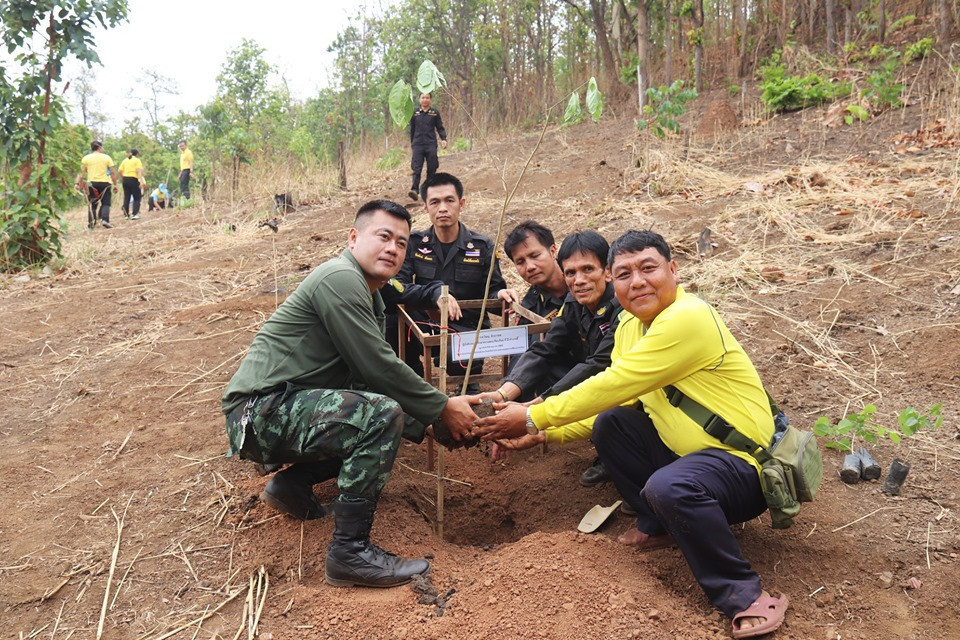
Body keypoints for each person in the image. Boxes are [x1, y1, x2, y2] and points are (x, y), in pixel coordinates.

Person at [474, 230, 789, 639]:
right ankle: (657, 524)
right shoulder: (629, 325)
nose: (636, 281)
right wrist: (544, 436)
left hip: (742, 466)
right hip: (689, 457)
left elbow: (616, 382)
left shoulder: (687, 317)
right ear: (613, 280)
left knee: (669, 485)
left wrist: (536, 417)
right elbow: (619, 401)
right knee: (613, 423)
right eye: (624, 273)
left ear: (673, 270)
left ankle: (742, 595)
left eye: (648, 268)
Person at [222, 199, 479, 588]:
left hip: (280, 407)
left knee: (381, 415)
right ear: (354, 237)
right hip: (261, 411)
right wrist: (441, 408)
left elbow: (364, 380)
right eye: (384, 236)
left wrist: (425, 423)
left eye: (403, 243)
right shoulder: (339, 279)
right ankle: (349, 552)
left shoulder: (370, 294)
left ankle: (291, 485)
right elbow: (377, 366)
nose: (393, 248)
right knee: (379, 416)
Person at [482, 230, 621, 487]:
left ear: (607, 271)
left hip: (622, 385)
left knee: (613, 407)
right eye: (571, 273)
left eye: (588, 269)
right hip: (587, 371)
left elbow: (599, 364)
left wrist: (536, 405)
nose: (579, 280)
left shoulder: (623, 307)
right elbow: (545, 350)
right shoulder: (573, 303)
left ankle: (614, 456)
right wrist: (503, 395)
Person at [389, 172, 517, 392]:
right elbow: (398, 287)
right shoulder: (415, 243)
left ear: (461, 204)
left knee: (458, 362)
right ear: (425, 208)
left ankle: (469, 381)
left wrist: (502, 296)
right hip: (428, 322)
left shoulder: (482, 246)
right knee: (391, 321)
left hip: (466, 326)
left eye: (449, 200)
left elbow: (494, 290)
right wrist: (434, 293)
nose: (443, 208)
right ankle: (414, 380)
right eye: (435, 202)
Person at [407, 92, 447, 201]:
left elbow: (440, 127)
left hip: (430, 144)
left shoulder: (434, 113)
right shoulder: (415, 113)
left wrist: (443, 139)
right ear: (419, 100)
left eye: (427, 98)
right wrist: (413, 144)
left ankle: (429, 189)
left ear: (430, 100)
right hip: (418, 144)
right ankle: (415, 190)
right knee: (417, 168)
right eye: (423, 97)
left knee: (432, 167)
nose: (425, 99)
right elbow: (412, 130)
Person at [75, 141, 119, 229]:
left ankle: (91, 224)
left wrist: (77, 183)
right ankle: (105, 220)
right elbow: (112, 173)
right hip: (105, 184)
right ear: (99, 148)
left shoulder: (86, 158)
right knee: (106, 203)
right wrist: (115, 184)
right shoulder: (107, 158)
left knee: (92, 204)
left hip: (92, 184)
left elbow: (81, 173)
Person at [118, 149, 146, 220]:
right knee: (137, 197)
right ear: (136, 154)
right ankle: (135, 214)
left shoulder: (125, 160)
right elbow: (138, 172)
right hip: (133, 179)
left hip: (125, 180)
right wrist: (141, 182)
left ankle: (126, 215)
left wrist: (123, 177)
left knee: (127, 197)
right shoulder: (137, 160)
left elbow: (119, 171)